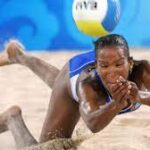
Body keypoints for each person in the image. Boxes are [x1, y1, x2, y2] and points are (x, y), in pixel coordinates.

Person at [0, 34, 149, 149]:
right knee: (50, 147)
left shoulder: (142, 71)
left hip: (103, 55)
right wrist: (117, 103)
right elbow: (92, 123)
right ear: (96, 66)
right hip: (75, 77)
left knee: (57, 82)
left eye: (118, 64)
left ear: (129, 63)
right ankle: (12, 119)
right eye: (105, 66)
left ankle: (18, 55)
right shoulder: (88, 83)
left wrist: (138, 96)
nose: (112, 72)